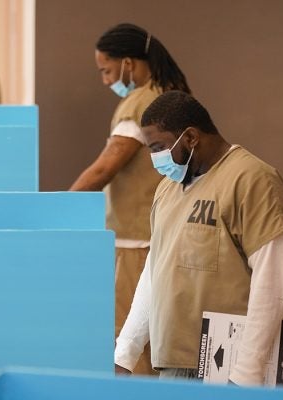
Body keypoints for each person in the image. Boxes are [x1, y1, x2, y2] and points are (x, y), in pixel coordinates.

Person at [114, 90, 283, 385]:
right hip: (175, 365)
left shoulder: (252, 181)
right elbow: (154, 274)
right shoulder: (168, 189)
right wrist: (125, 353)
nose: (154, 159)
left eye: (158, 147)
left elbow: (272, 285)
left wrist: (246, 376)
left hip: (232, 367)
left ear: (191, 138)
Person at [69, 24, 190, 376]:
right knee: (153, 337)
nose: (106, 81)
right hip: (158, 233)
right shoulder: (169, 92)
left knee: (130, 341)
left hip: (135, 242)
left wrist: (58, 209)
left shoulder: (138, 103)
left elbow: (104, 168)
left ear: (128, 63)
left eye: (107, 70)